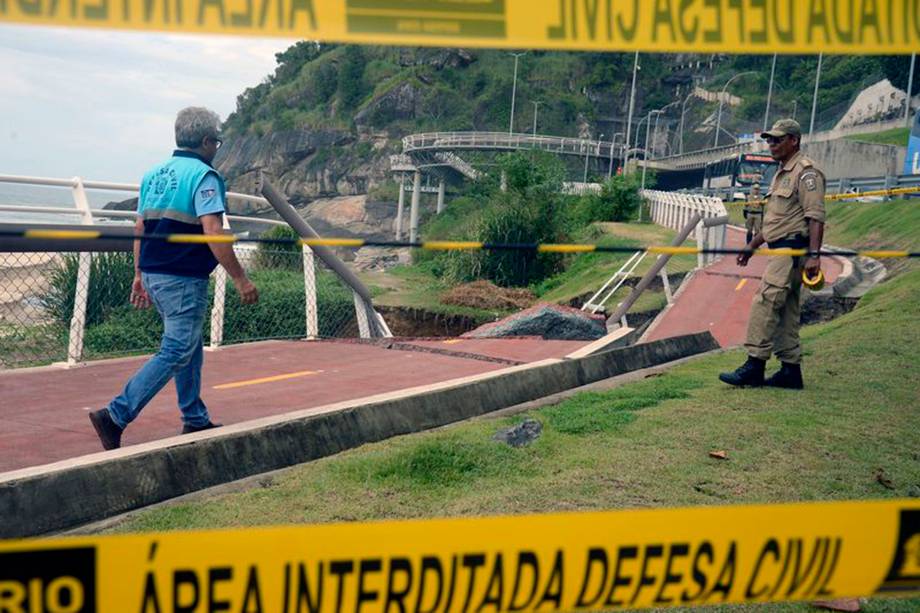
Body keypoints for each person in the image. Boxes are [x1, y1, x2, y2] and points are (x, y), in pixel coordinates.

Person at [89, 107, 259, 450]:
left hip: (153, 271)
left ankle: (194, 417)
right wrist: (241, 279)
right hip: (181, 277)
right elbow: (213, 232)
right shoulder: (204, 177)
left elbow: (141, 227)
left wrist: (138, 273)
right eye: (218, 141)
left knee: (189, 347)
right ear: (208, 141)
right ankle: (115, 415)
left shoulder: (153, 175)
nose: (218, 148)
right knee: (177, 348)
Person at [719, 119, 825, 390]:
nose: (771, 145)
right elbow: (778, 221)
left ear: (794, 140)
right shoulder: (782, 173)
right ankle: (790, 371)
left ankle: (754, 365)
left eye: (777, 140)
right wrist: (752, 245)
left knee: (764, 304)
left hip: (791, 252)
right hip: (781, 249)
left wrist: (814, 256)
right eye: (769, 140)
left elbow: (815, 217)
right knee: (786, 312)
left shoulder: (806, 173)